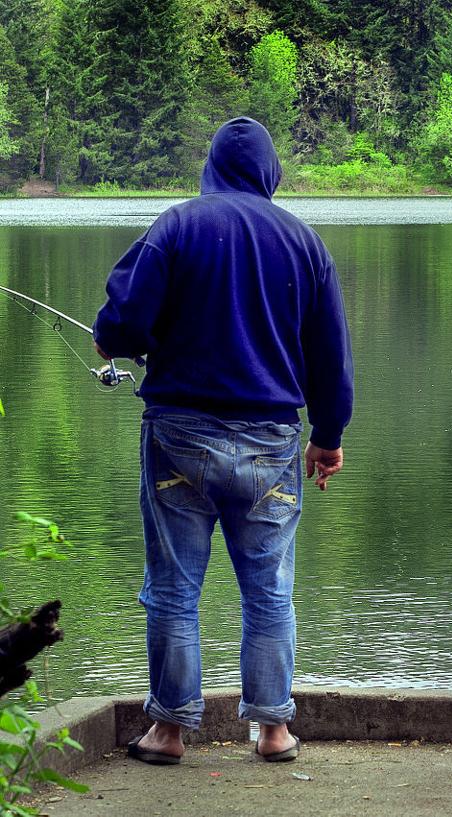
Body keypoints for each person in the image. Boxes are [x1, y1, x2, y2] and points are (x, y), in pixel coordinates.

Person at [92, 117, 353, 766]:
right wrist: (328, 436)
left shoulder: (178, 225)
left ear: (211, 166)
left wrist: (112, 341)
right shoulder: (305, 243)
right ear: (271, 174)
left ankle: (171, 731)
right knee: (268, 588)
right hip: (272, 443)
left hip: (179, 436)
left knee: (175, 587)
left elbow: (122, 320)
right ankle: (273, 730)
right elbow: (330, 357)